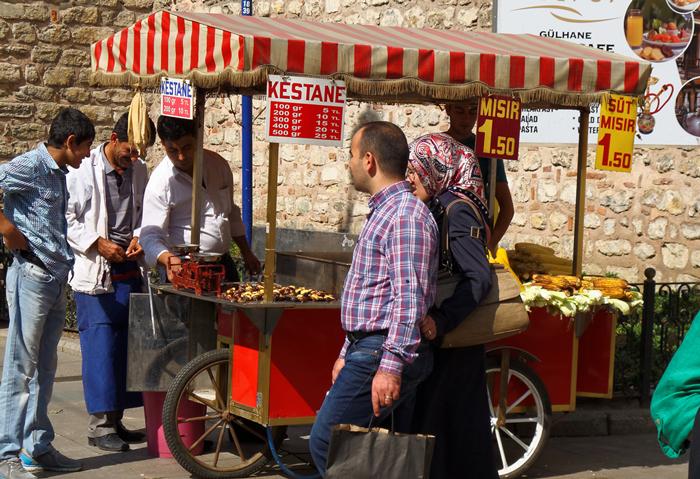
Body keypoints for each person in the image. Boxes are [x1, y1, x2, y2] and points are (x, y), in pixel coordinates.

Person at [308, 121, 438, 476]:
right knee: (375, 454)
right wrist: (346, 352)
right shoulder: (385, 212)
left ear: (369, 161)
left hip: (383, 352)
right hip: (368, 349)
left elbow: (407, 299)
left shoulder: (405, 215)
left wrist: (390, 367)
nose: (347, 163)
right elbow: (373, 294)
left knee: (326, 442)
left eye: (351, 155)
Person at [0, 108, 95, 479]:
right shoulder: (30, 165)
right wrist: (8, 230)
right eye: (85, 147)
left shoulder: (58, 173)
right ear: (70, 142)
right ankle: (7, 455)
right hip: (30, 276)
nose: (87, 155)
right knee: (20, 369)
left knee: (46, 369)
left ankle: (37, 446)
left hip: (55, 278)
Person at [408, 132, 498, 479]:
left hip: (456, 345)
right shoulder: (444, 202)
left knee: (450, 431)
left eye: (416, 169)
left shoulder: (457, 211)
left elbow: (478, 277)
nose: (410, 177)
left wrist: (441, 320)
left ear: (438, 168)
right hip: (452, 344)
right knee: (453, 434)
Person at [65, 112, 150, 452]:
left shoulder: (139, 170)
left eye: (140, 153)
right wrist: (97, 243)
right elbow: (67, 218)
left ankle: (115, 421)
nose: (135, 158)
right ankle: (99, 426)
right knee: (100, 347)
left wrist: (141, 236)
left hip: (129, 267)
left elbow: (147, 212)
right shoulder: (83, 170)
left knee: (126, 348)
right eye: (130, 150)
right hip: (95, 270)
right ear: (114, 140)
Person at [140, 116, 260, 281]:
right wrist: (169, 259)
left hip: (223, 264)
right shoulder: (160, 182)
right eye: (173, 150)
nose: (181, 157)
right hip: (184, 269)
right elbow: (149, 236)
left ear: (197, 138)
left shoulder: (218, 165)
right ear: (163, 144)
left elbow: (231, 213)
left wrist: (246, 252)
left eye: (187, 147)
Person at [445, 102, 514, 255]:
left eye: (472, 112)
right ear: (448, 109)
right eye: (460, 110)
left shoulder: (488, 151)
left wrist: (490, 244)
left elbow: (507, 207)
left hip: (474, 241)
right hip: (439, 236)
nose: (466, 118)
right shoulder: (435, 146)